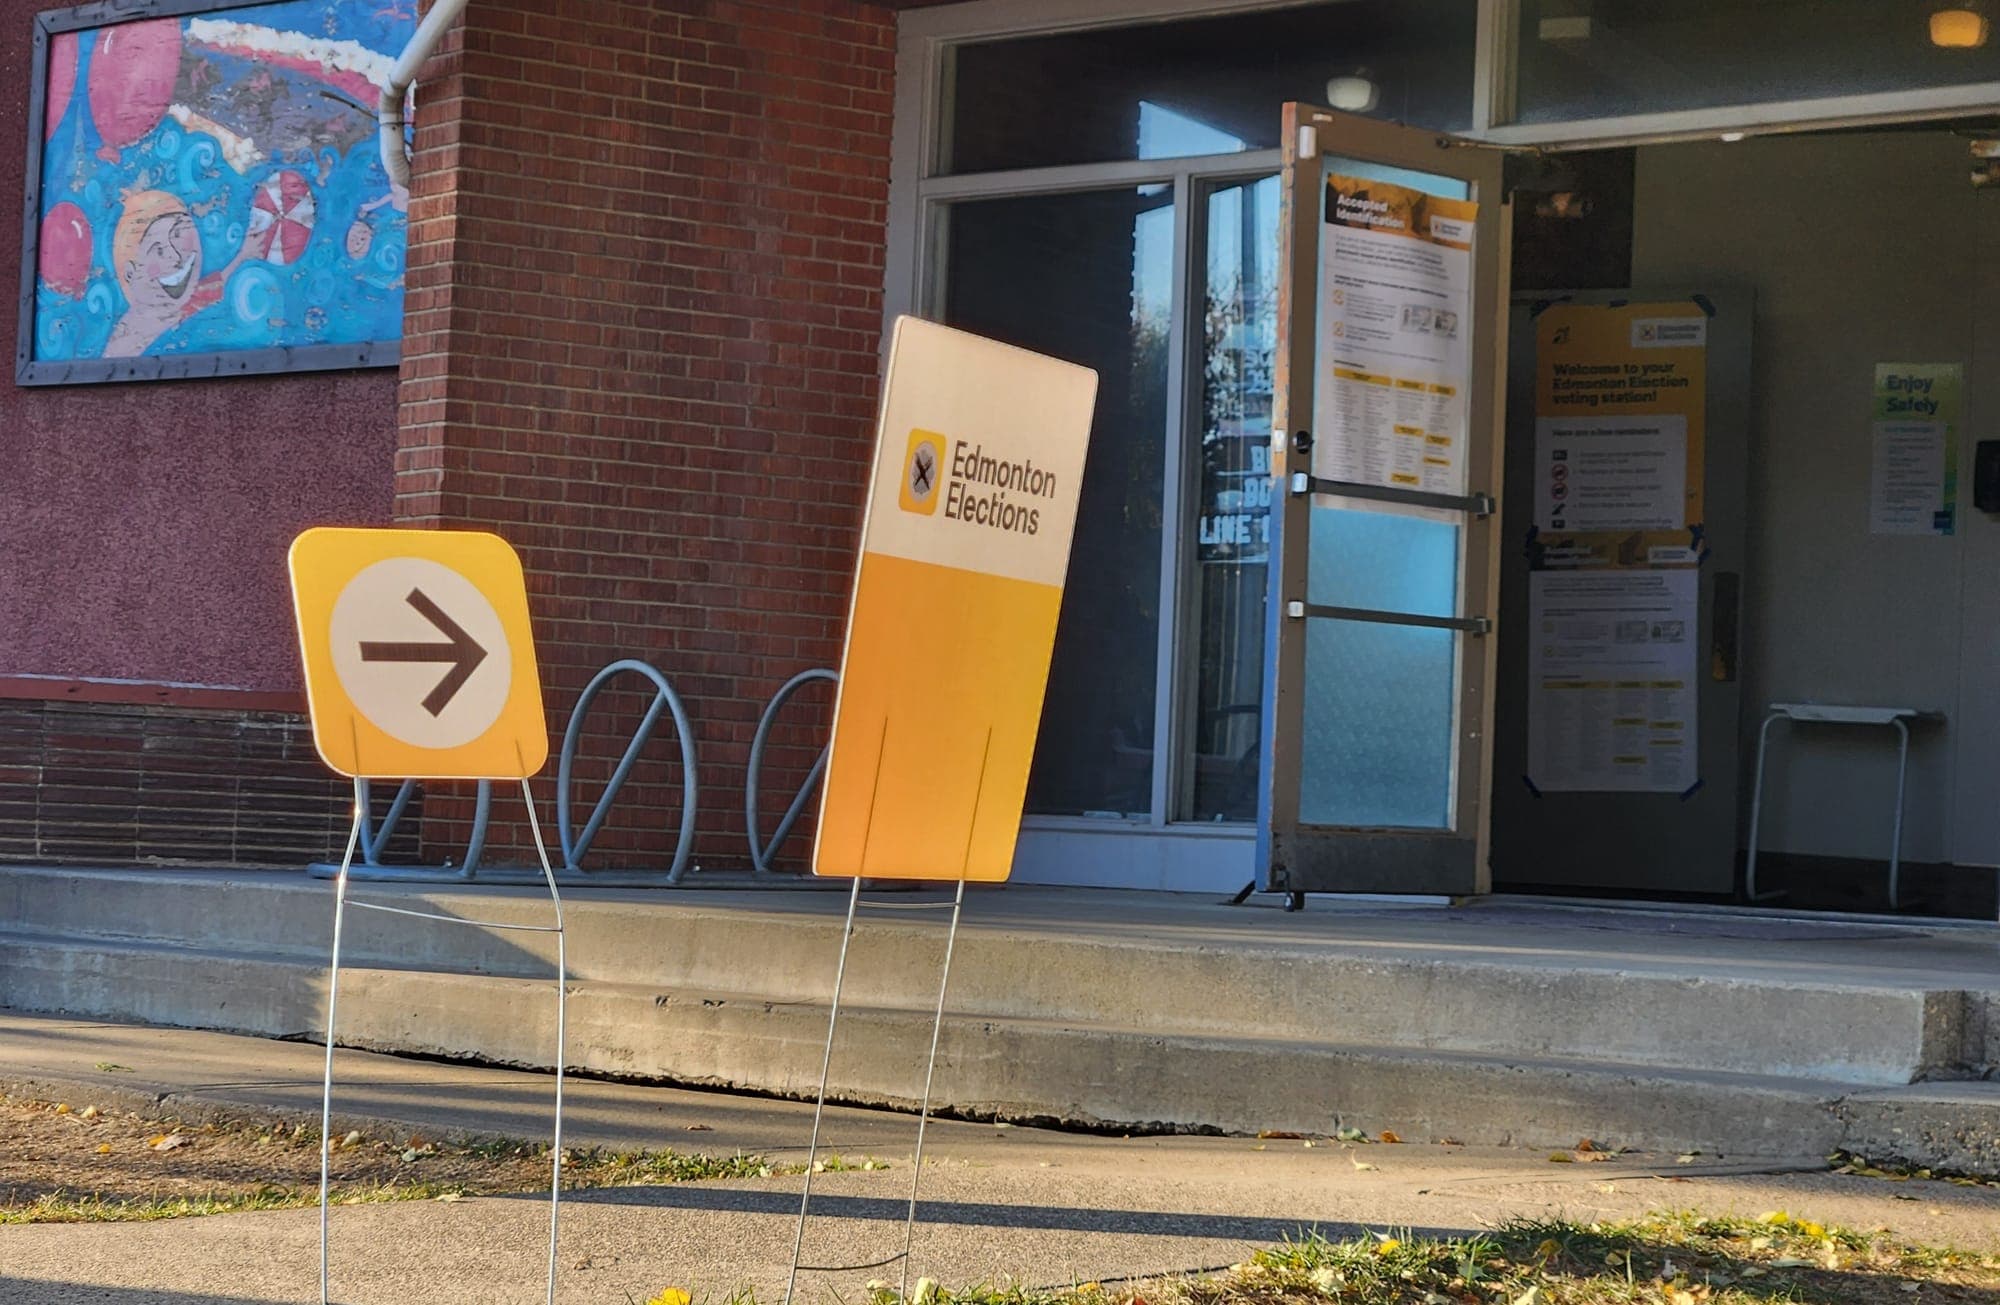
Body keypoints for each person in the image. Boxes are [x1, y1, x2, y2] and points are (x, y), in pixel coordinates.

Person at [102, 188, 271, 358]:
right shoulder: (129, 339)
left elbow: (213, 287)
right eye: (159, 250)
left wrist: (243, 254)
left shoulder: (176, 308)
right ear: (130, 273)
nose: (176, 257)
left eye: (177, 234)